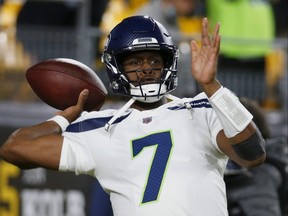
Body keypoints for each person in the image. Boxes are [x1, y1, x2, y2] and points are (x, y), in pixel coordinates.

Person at [0, 16, 266, 216]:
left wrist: (211, 86)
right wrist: (66, 117)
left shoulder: (201, 108)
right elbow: (14, 148)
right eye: (135, 62)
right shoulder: (100, 129)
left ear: (167, 65)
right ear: (118, 68)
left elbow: (252, 154)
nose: (147, 69)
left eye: (154, 61)